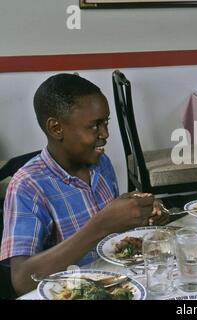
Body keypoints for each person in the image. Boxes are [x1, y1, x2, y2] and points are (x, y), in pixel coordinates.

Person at [0, 73, 167, 295]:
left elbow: (113, 236)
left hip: (116, 283)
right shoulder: (28, 186)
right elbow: (22, 279)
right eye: (94, 126)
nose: (105, 134)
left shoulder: (100, 163)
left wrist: (140, 215)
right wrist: (100, 225)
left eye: (106, 122)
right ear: (56, 128)